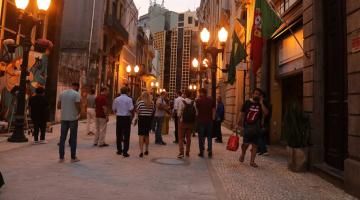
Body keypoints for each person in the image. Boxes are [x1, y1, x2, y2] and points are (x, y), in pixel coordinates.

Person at [236, 88, 269, 168]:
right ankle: (243, 154)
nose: (257, 95)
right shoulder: (247, 103)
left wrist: (261, 103)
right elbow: (241, 113)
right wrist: (237, 124)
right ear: (252, 94)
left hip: (257, 128)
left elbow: (266, 113)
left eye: (258, 94)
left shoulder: (262, 104)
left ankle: (252, 161)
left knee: (255, 145)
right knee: (245, 144)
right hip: (247, 126)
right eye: (256, 93)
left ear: (260, 96)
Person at [57, 82, 81, 163]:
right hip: (73, 118)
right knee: (73, 138)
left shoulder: (62, 93)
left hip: (64, 118)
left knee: (62, 138)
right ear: (76, 87)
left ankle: (61, 157)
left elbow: (58, 106)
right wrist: (78, 112)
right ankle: (73, 157)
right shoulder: (76, 94)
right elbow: (78, 105)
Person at [113, 87, 134, 157]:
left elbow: (114, 109)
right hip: (126, 118)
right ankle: (125, 151)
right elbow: (131, 109)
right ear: (127, 92)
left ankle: (119, 150)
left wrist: (118, 112)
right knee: (126, 135)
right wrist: (131, 116)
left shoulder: (116, 99)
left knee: (118, 134)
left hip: (119, 118)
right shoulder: (129, 99)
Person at [195, 88, 215, 158]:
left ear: (201, 93)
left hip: (201, 121)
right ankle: (210, 150)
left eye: (199, 93)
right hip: (209, 121)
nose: (199, 94)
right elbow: (213, 110)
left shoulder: (198, 101)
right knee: (209, 137)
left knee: (201, 137)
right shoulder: (211, 100)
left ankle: (201, 152)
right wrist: (212, 119)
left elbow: (197, 112)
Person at [177, 90, 196, 158]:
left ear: (185, 94)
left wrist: (179, 118)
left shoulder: (182, 102)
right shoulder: (193, 103)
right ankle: (187, 152)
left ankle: (181, 152)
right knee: (188, 138)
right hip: (190, 123)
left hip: (183, 122)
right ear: (191, 95)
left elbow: (179, 113)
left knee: (181, 138)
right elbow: (195, 113)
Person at [135, 91, 153, 157]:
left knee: (141, 135)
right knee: (146, 135)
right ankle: (147, 150)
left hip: (142, 119)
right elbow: (152, 112)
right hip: (148, 120)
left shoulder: (140, 103)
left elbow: (137, 111)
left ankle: (141, 151)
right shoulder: (151, 103)